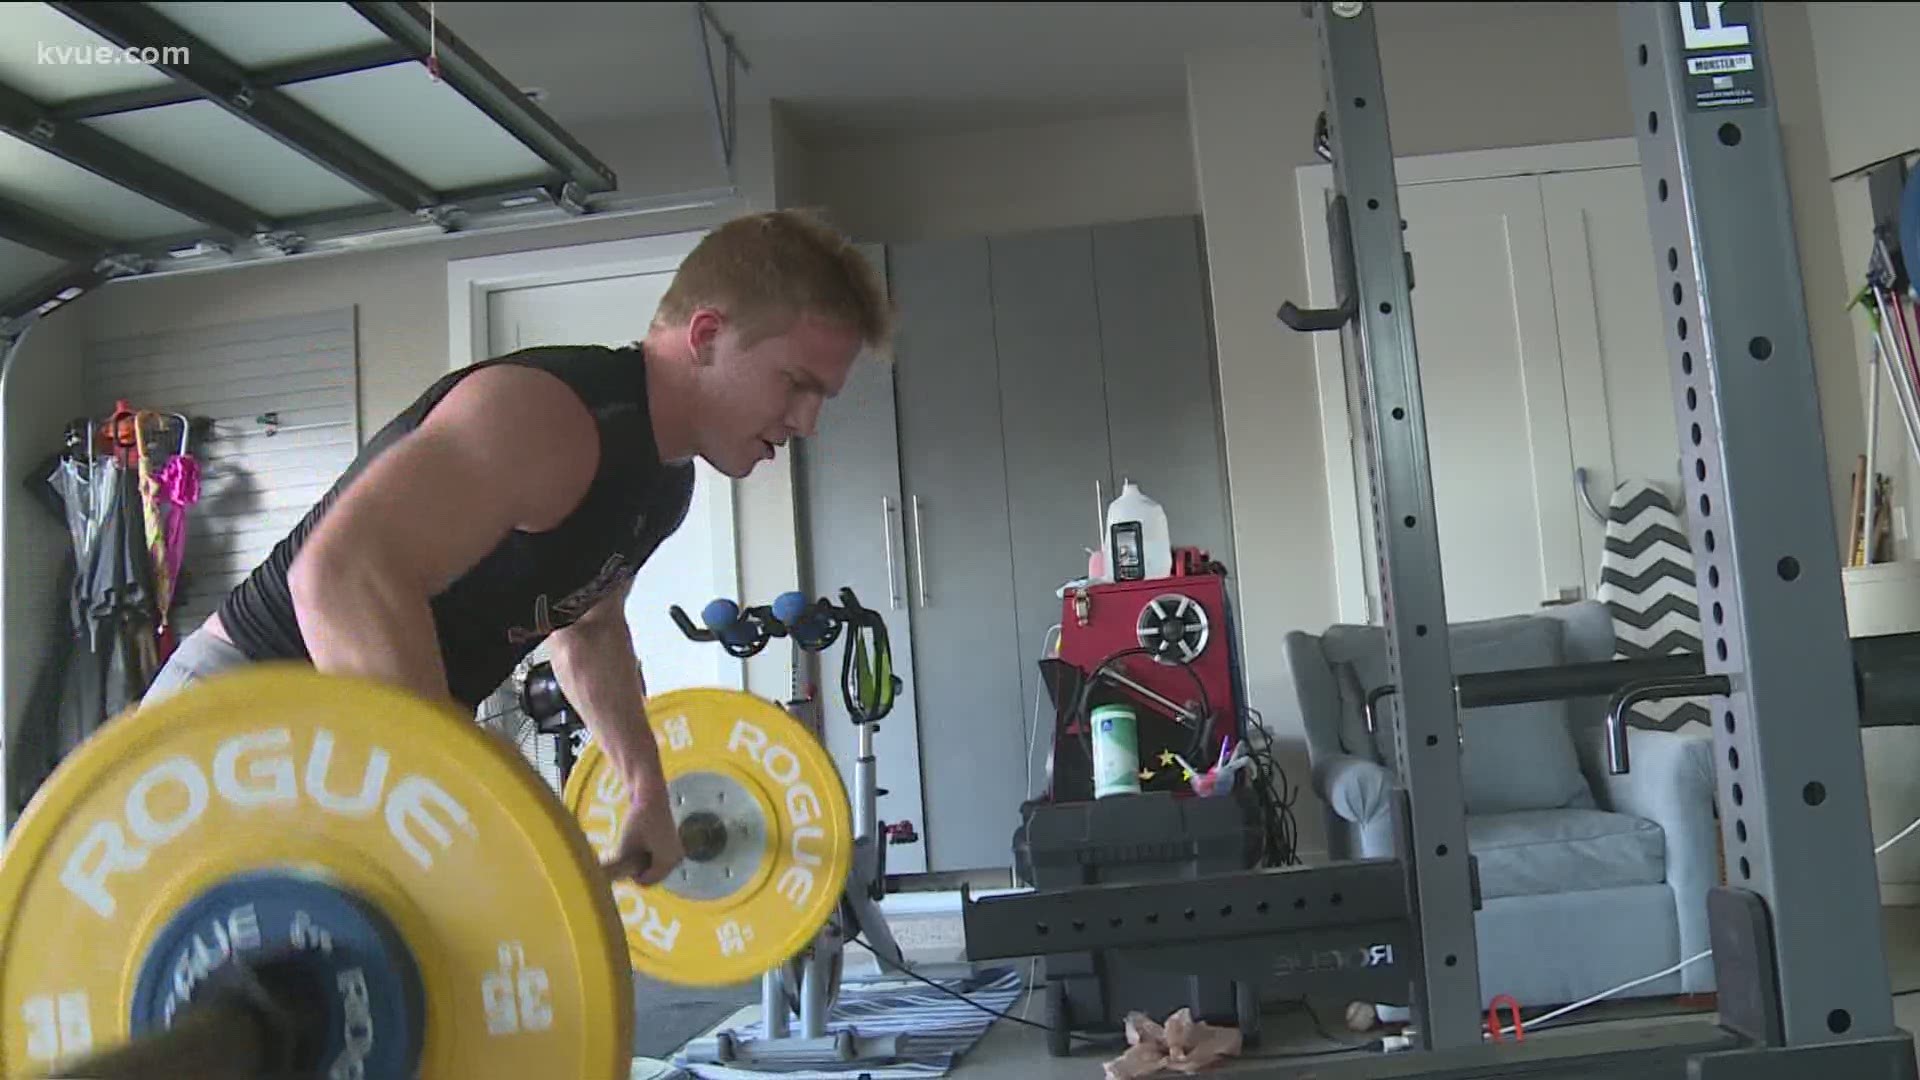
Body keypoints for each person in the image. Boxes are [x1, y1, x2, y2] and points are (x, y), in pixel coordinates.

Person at [139, 209, 892, 889]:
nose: (807, 422)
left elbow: (586, 629)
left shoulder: (664, 484)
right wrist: (460, 799)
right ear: (706, 336)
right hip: (244, 714)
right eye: (795, 383)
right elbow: (339, 577)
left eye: (822, 397)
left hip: (348, 745)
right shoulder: (548, 416)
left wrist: (646, 789)